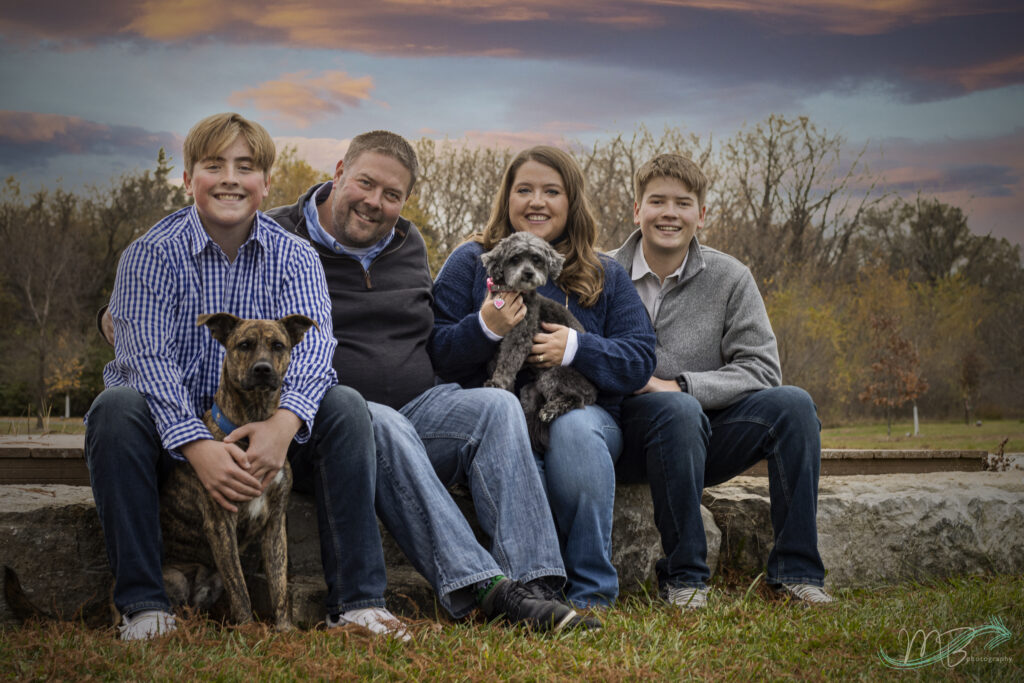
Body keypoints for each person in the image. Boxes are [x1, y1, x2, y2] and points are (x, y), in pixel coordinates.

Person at [265, 131, 594, 631]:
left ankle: (537, 585)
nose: (375, 203)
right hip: (330, 428)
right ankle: (486, 589)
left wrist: (487, 329)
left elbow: (436, 341)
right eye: (365, 184)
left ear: (405, 200)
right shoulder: (277, 236)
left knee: (497, 405)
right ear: (338, 172)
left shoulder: (408, 241)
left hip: (421, 407)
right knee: (377, 419)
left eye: (392, 195)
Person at [87, 113, 398, 641]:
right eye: (214, 165)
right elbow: (145, 361)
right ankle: (144, 607)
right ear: (188, 180)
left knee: (345, 405)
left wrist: (283, 426)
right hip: (173, 438)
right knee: (114, 408)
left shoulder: (295, 255)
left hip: (269, 430)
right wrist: (197, 444)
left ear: (267, 183)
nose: (230, 178)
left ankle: (357, 602)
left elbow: (317, 346)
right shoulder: (148, 255)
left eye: (246, 166)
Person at [429, 146, 656, 608]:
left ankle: (593, 590)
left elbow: (640, 359)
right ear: (506, 198)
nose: (537, 201)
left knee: (571, 429)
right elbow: (433, 350)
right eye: (524, 190)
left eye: (551, 191)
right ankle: (534, 589)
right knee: (510, 433)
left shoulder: (603, 273)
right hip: (499, 421)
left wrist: (574, 348)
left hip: (582, 415)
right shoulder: (472, 261)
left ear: (571, 201)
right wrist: (484, 330)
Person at [611, 153, 834, 609]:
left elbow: (761, 369)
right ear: (637, 210)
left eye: (683, 203)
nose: (669, 213)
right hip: (621, 435)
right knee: (676, 410)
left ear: (701, 214)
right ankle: (685, 580)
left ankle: (795, 574)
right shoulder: (601, 271)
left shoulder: (731, 277)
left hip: (699, 437)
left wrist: (683, 386)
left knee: (793, 406)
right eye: (657, 201)